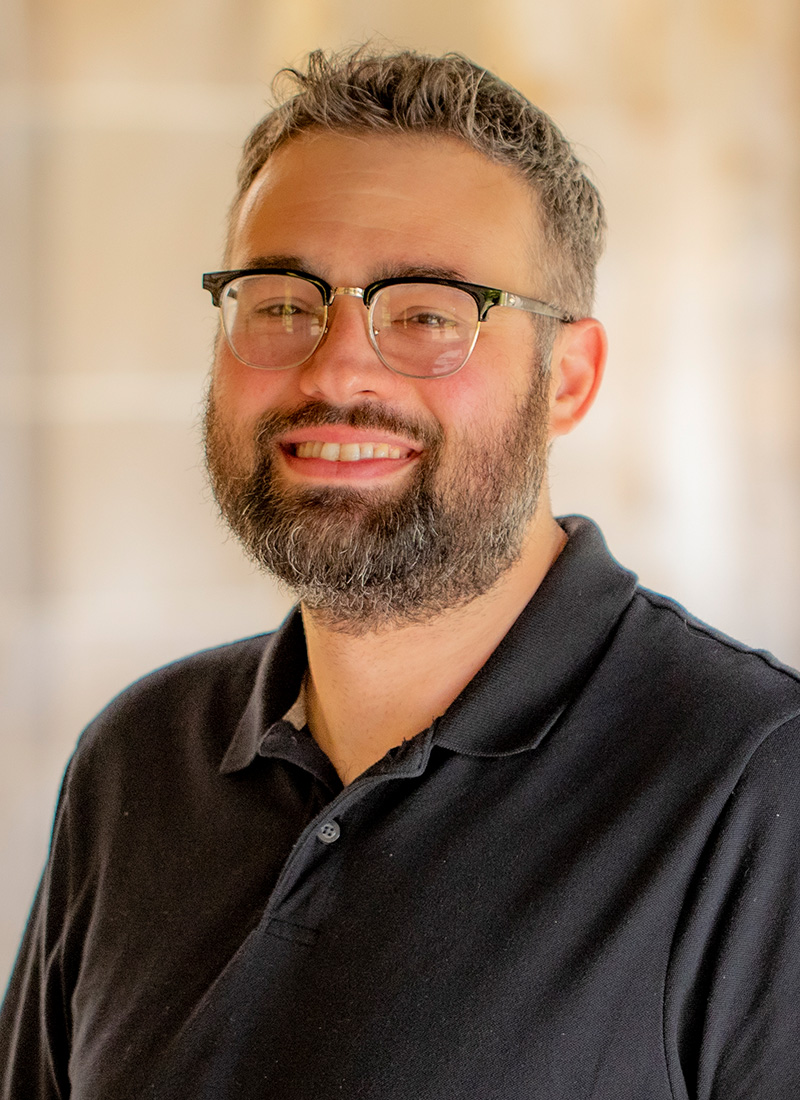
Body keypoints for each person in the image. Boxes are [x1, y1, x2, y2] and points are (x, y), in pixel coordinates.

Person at [2, 46, 799, 1100]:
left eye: (425, 311)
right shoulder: (134, 761)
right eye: (281, 300)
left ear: (565, 378)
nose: (333, 364)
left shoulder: (754, 785)